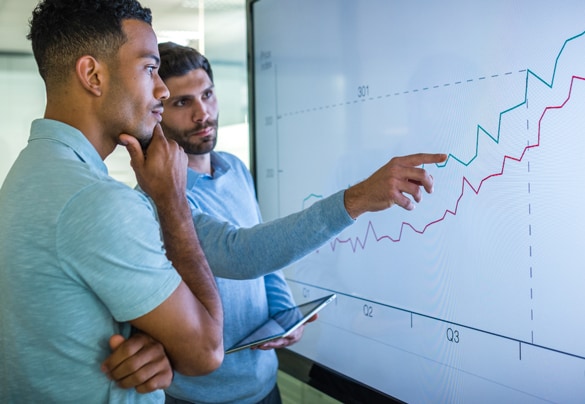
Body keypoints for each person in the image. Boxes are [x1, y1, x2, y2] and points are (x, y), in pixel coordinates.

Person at [154, 42, 448, 404]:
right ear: (157, 112)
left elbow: (265, 262)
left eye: (208, 94)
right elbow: (242, 254)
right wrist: (354, 199)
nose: (203, 113)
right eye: (183, 103)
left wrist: (282, 313)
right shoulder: (161, 197)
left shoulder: (234, 168)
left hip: (264, 383)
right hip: (201, 397)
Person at [0, 1, 224, 403]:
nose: (163, 89)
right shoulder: (96, 201)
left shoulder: (30, 174)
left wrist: (157, 342)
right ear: (93, 75)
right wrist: (172, 200)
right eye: (149, 68)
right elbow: (207, 351)